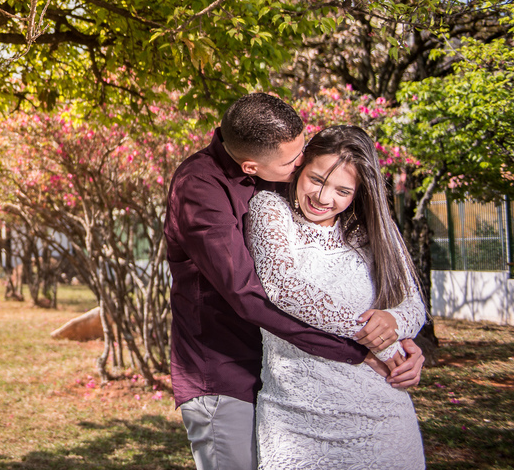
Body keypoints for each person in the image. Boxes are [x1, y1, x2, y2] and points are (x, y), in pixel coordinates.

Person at [165, 93, 423, 470]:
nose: (302, 162)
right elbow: (249, 295)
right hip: (225, 368)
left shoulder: (277, 173)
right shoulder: (200, 188)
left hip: (279, 367)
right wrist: (363, 347)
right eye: (295, 160)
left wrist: (397, 334)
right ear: (251, 166)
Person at [248, 125, 426, 469]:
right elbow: (283, 287)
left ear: (359, 192)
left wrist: (395, 325)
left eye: (343, 190)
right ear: (300, 166)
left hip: (384, 416)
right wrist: (382, 343)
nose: (324, 198)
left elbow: (414, 305)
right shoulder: (270, 209)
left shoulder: (371, 232)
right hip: (296, 420)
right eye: (316, 180)